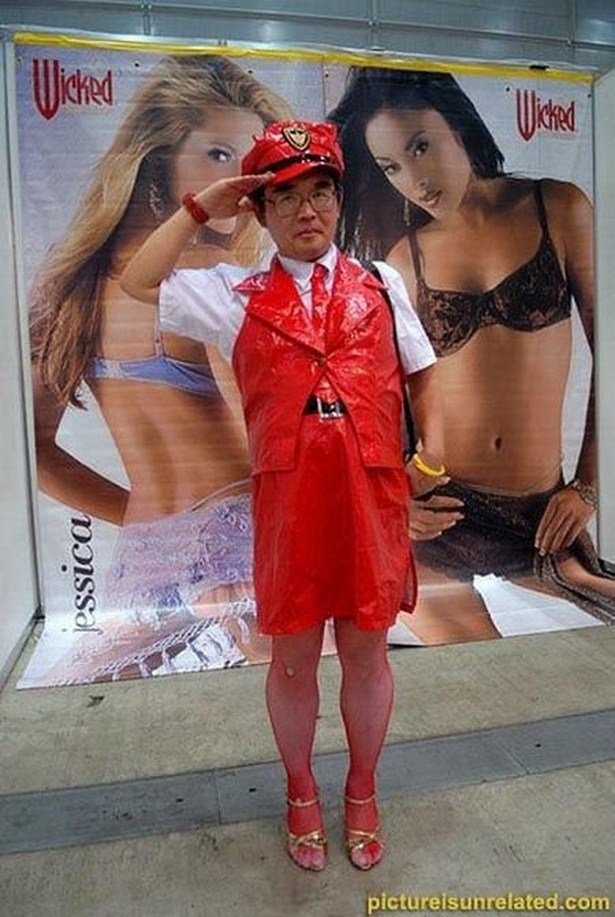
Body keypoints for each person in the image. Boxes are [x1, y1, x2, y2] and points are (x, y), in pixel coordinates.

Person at [121, 120, 444, 870]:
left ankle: (361, 789)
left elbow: (421, 370)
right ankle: (300, 790)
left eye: (321, 192)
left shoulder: (379, 283)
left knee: (366, 652)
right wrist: (201, 208)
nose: (307, 210)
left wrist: (430, 457)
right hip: (289, 501)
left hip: (369, 496)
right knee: (293, 659)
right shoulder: (232, 294)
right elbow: (138, 280)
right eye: (286, 196)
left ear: (339, 200)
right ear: (260, 211)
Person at [29, 55, 293, 683]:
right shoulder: (205, 276)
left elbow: (35, 452)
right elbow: (271, 436)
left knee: (114, 708)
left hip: (145, 556)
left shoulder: (67, 286)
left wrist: (145, 521)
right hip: (235, 538)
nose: (241, 179)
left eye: (251, 161)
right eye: (219, 155)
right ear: (158, 159)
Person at [329, 67, 615, 645]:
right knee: (480, 665)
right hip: (441, 513)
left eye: (420, 147)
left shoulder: (556, 207)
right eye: (391, 167)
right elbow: (383, 401)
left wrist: (587, 486)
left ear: (457, 123)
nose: (415, 180)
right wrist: (395, 500)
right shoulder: (402, 259)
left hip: (538, 513)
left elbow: (609, 355)